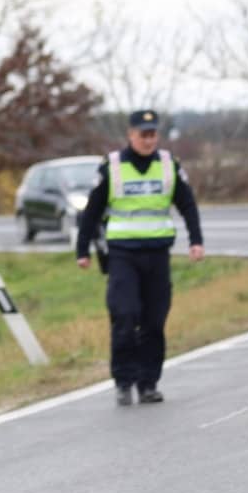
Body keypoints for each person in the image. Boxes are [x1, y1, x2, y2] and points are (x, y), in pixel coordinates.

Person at [74, 109, 205, 406]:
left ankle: (148, 383)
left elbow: (187, 204)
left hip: (158, 254)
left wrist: (196, 241)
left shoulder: (170, 165)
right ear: (130, 135)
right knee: (124, 315)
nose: (148, 140)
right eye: (143, 135)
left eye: (152, 134)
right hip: (123, 254)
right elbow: (92, 211)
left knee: (154, 321)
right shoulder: (114, 167)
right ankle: (123, 380)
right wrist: (82, 250)